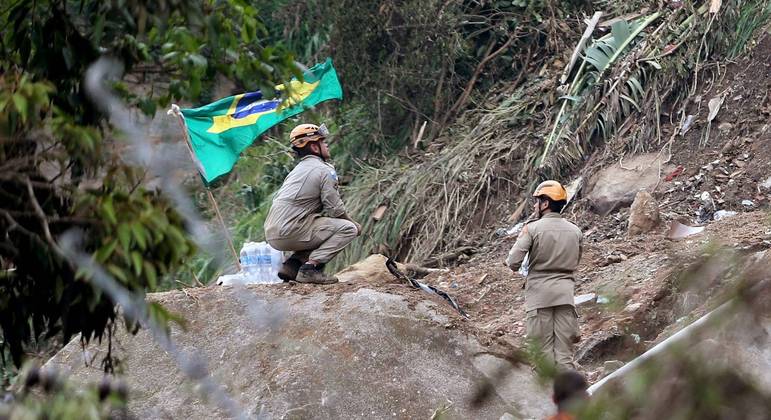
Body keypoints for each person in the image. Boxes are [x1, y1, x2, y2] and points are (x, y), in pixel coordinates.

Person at [264, 123, 361, 284]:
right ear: (315, 148)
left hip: (273, 234)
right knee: (347, 229)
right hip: (291, 230)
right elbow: (335, 208)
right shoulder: (324, 170)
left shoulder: (297, 170)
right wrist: (353, 223)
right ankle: (310, 269)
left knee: (318, 229)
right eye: (323, 142)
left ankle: (292, 265)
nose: (327, 144)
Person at [506, 180, 582, 370]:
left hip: (540, 298)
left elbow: (514, 262)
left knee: (543, 356)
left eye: (537, 201)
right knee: (565, 357)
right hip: (566, 297)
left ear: (545, 203)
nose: (534, 205)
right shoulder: (576, 231)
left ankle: (547, 398)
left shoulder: (532, 228)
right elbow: (576, 261)